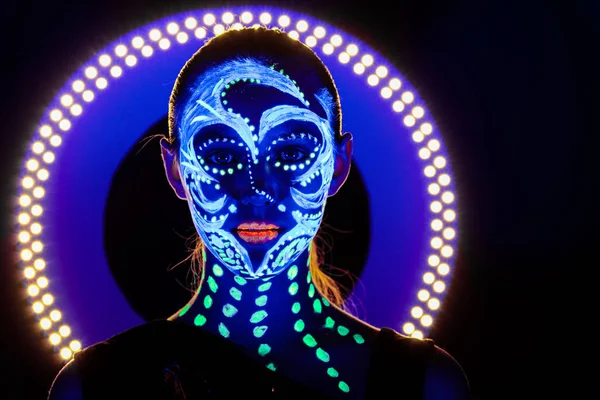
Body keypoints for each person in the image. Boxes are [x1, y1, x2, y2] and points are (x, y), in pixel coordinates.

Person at [48, 26, 470, 399]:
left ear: (338, 164)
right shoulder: (96, 385)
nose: (257, 191)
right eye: (221, 153)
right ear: (175, 170)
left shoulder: (422, 383)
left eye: (290, 152)